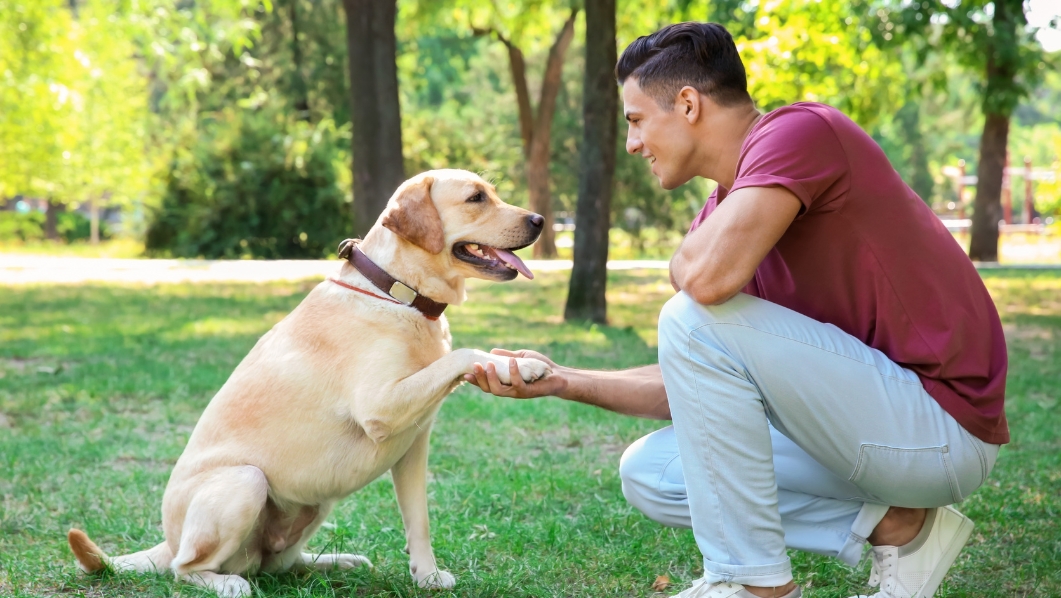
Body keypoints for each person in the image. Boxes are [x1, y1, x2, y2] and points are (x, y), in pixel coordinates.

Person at [464, 21, 1007, 598]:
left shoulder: (800, 132)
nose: (633, 143)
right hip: (867, 430)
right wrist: (565, 381)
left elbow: (701, 283)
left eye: (637, 119)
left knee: (690, 314)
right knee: (653, 474)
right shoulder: (728, 215)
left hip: (941, 431)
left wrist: (685, 266)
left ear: (689, 104)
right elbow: (697, 384)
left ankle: (752, 584)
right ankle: (902, 526)